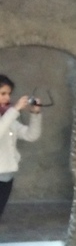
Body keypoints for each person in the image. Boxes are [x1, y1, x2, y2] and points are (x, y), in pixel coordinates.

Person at [0, 74, 43, 220]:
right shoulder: (9, 116)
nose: (7, 98)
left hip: (6, 176)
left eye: (9, 94)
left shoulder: (7, 117)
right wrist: (15, 110)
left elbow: (31, 135)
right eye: (3, 93)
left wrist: (35, 113)